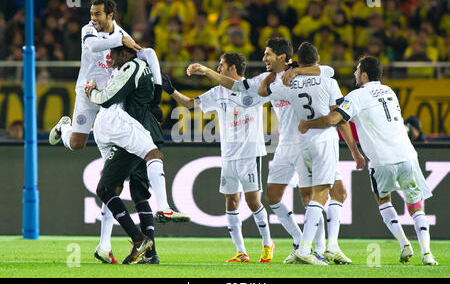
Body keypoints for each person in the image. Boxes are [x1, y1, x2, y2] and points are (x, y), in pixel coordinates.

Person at [188, 38, 360, 265]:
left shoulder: (306, 74)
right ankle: (300, 242)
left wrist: (296, 71)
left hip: (305, 141)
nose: (263, 58)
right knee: (273, 197)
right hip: (285, 144)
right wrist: (208, 72)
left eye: (267, 54)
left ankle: (318, 249)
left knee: (309, 197)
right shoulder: (266, 79)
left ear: (281, 56)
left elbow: (326, 69)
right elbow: (238, 86)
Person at [48, 0, 188, 264]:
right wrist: (119, 41)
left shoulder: (123, 36)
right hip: (87, 93)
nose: (94, 18)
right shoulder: (90, 31)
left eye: (99, 14)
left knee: (111, 179)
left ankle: (105, 244)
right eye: (92, 13)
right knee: (77, 143)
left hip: (113, 98)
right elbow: (92, 48)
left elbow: (147, 53)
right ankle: (64, 127)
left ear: (112, 15)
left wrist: (157, 94)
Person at [298, 56, 438, 266]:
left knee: (383, 200)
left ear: (363, 74)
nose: (355, 73)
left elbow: (335, 119)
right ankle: (427, 254)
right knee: (416, 206)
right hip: (408, 156)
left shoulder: (357, 96)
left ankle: (403, 243)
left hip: (382, 161)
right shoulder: (390, 91)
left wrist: (309, 124)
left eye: (356, 70)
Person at [258, 41, 364, 265]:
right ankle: (307, 248)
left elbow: (264, 91)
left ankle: (329, 248)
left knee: (335, 193)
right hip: (324, 139)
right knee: (323, 194)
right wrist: (355, 150)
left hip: (302, 143)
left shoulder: (289, 82)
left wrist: (291, 72)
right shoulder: (328, 79)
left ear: (297, 60)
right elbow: (340, 118)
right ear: (317, 59)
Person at [85, 45, 190, 263]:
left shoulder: (132, 68)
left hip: (134, 131)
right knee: (137, 194)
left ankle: (143, 239)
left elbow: (148, 53)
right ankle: (148, 252)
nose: (110, 60)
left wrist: (92, 92)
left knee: (117, 189)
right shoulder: (142, 73)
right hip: (142, 130)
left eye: (113, 55)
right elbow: (150, 57)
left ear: (123, 52)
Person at [166, 52, 275, 263]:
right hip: (228, 155)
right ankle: (241, 251)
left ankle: (267, 242)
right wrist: (171, 90)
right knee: (231, 201)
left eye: (221, 65)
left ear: (233, 68)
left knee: (253, 202)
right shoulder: (217, 93)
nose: (218, 69)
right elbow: (190, 104)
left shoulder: (254, 88)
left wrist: (204, 70)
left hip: (250, 154)